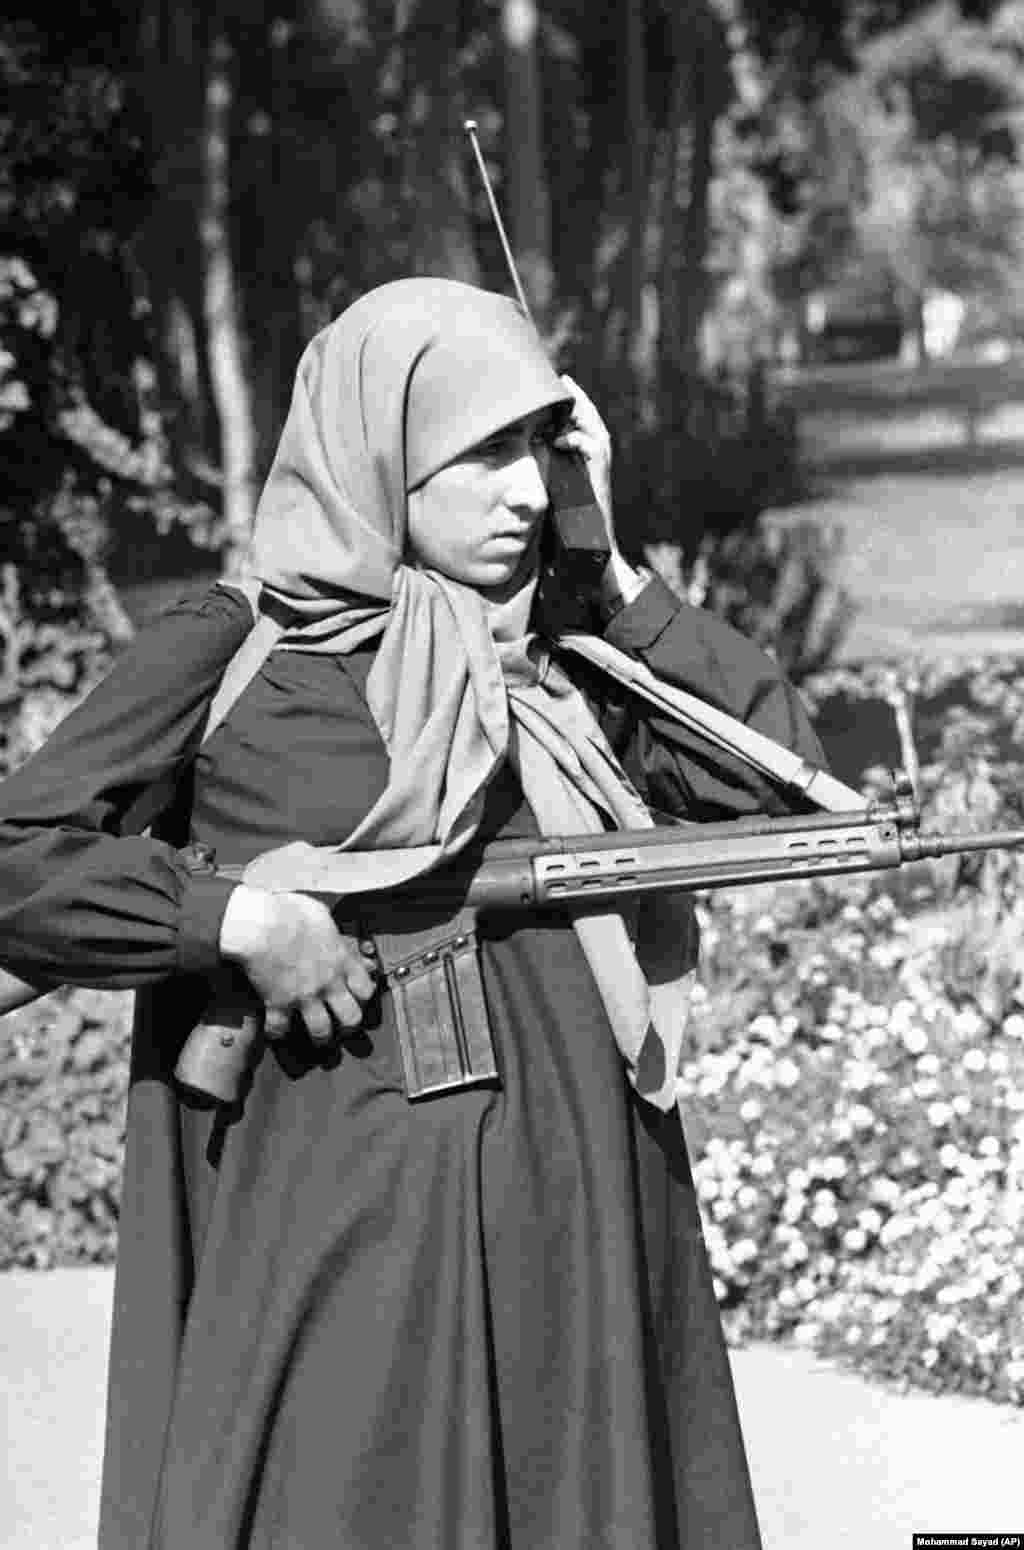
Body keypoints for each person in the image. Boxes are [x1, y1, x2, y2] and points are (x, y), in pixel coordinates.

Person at [0, 278, 827, 1549]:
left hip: (579, 1215)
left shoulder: (569, 643)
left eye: (540, 450)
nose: (521, 490)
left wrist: (608, 567)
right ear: (379, 449)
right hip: (339, 1234)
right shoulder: (240, 649)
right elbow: (23, 851)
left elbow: (780, 783)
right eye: (484, 450)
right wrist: (234, 921)